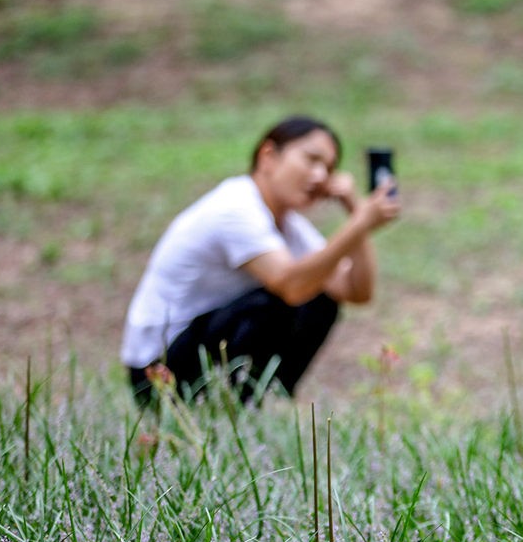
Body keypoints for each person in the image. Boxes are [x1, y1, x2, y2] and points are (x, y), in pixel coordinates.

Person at [121, 117, 400, 405]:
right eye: (311, 160)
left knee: (320, 298)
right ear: (268, 156)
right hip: (157, 373)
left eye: (328, 169)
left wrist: (356, 211)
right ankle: (231, 404)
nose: (320, 176)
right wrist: (359, 223)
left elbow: (356, 291)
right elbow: (291, 286)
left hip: (199, 349)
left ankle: (259, 401)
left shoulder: (288, 224)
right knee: (276, 303)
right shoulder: (235, 207)